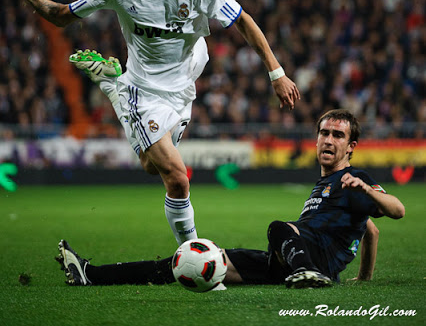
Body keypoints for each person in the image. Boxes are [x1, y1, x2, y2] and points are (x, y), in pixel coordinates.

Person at [10, 0, 300, 247]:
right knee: (176, 178)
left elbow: (243, 21)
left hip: (187, 76)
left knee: (151, 166)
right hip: (144, 89)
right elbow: (62, 16)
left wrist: (277, 73)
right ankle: (192, 254)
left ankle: (111, 86)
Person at [55, 109, 404, 289]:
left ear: (351, 146)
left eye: (338, 135)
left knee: (279, 228)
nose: (328, 140)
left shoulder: (353, 180)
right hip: (282, 263)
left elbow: (397, 210)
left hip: (310, 261)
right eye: (324, 133)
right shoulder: (327, 184)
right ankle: (91, 274)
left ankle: (307, 273)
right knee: (192, 260)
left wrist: (367, 190)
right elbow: (370, 231)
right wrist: (365, 278)